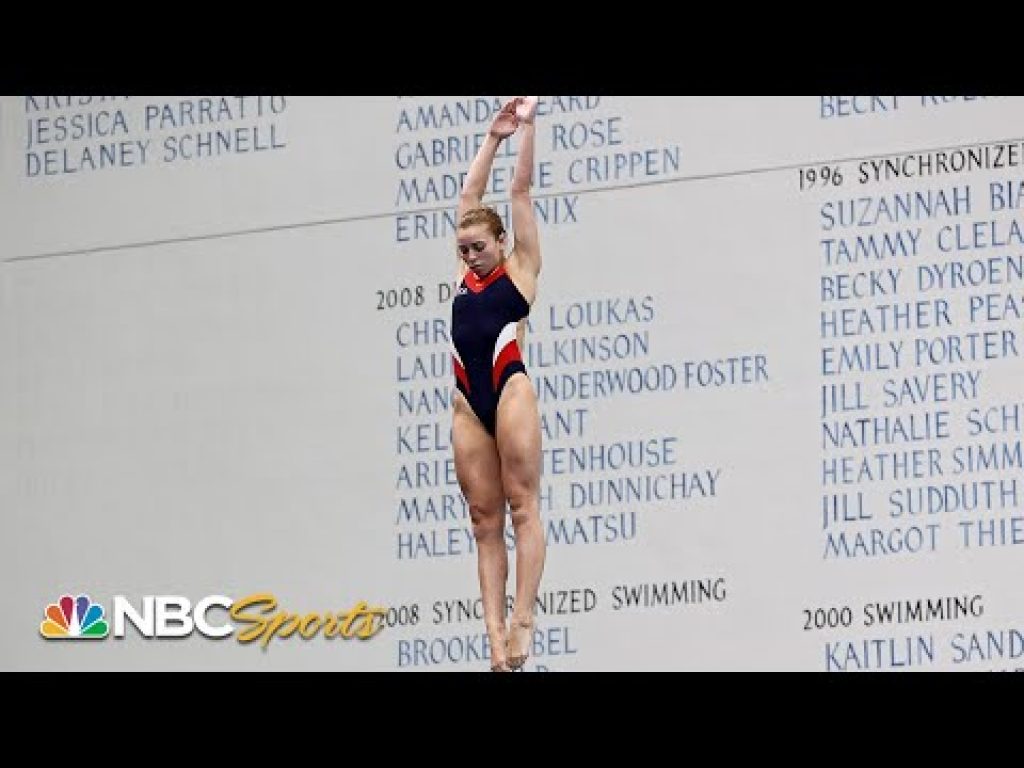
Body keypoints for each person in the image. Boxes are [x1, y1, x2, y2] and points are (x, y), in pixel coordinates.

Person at [450, 96, 545, 671]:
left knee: (521, 506)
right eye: (463, 250)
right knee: (484, 521)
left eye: (479, 248)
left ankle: (523, 621)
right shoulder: (464, 272)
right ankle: (494, 643)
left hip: (510, 390)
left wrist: (525, 131)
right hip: (468, 404)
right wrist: (490, 138)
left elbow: (518, 194)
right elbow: (468, 200)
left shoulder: (521, 268)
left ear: (502, 244)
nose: (469, 257)